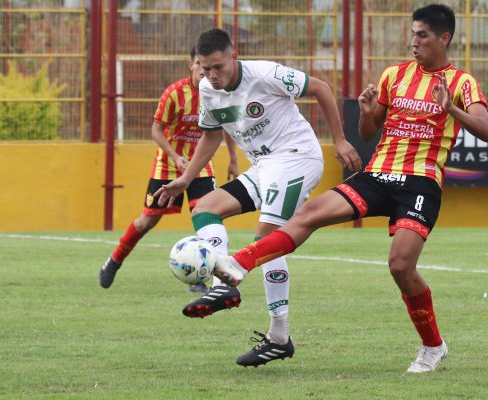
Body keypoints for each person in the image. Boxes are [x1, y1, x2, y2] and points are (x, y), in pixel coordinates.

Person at [211, 4, 488, 373]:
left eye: (422, 35)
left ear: (444, 38)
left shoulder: (462, 82)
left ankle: (433, 346)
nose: (414, 42)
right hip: (378, 174)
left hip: (420, 182)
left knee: (400, 265)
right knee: (309, 214)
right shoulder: (394, 75)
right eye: (412, 33)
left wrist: (451, 109)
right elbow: (367, 134)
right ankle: (238, 264)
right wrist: (366, 111)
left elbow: (486, 129)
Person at [154, 28, 361, 367]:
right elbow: (211, 136)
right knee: (206, 207)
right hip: (264, 165)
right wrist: (187, 178)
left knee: (267, 237)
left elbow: (321, 88)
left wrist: (338, 140)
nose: (211, 76)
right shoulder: (207, 89)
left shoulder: (264, 74)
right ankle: (245, 302)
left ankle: (251, 307)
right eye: (205, 68)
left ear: (233, 57)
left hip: (296, 156)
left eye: (218, 67)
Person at [99, 47, 239, 292]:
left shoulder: (216, 93)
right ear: (191, 65)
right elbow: (156, 130)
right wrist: (174, 156)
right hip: (168, 167)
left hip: (200, 167)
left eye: (209, 67)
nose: (205, 72)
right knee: (147, 221)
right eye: (200, 65)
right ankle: (115, 260)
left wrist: (233, 159)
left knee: (206, 218)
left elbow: (223, 127)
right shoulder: (174, 93)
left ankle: (205, 278)